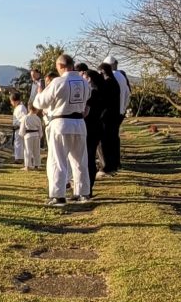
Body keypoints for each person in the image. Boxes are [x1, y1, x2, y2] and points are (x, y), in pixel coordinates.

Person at [32, 54, 91, 206]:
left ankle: (58, 195)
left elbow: (40, 102)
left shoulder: (59, 81)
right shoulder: (84, 82)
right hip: (79, 123)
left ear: (60, 66)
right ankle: (82, 192)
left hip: (61, 123)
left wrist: (39, 91)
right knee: (80, 160)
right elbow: (87, 98)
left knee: (58, 160)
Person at [77, 63, 106, 192]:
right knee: (91, 155)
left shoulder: (91, 93)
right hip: (98, 126)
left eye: (85, 76)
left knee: (87, 157)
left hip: (89, 126)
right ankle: (88, 187)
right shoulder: (101, 91)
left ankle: (87, 188)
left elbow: (85, 112)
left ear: (89, 79)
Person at [102, 57, 131, 175]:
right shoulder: (122, 76)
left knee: (107, 138)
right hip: (120, 112)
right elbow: (128, 93)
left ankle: (109, 164)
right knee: (114, 137)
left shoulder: (110, 77)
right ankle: (116, 162)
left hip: (109, 112)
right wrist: (123, 109)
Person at [10, 93, 27, 165]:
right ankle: (18, 157)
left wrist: (19, 125)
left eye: (11, 101)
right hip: (17, 128)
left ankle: (20, 158)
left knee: (19, 143)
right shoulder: (18, 107)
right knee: (17, 142)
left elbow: (24, 118)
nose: (11, 103)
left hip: (20, 128)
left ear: (15, 101)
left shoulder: (21, 108)